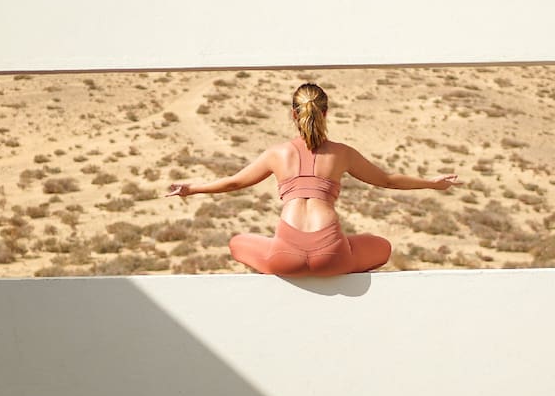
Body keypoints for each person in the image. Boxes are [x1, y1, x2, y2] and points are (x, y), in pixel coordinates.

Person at [164, 83, 460, 276]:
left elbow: (234, 183)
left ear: (294, 114)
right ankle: (329, 262)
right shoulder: (343, 153)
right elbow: (388, 180)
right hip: (331, 253)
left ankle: (286, 259)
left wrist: (191, 189)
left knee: (238, 242)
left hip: (284, 255)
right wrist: (433, 183)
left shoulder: (277, 153)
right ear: (326, 113)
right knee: (381, 246)